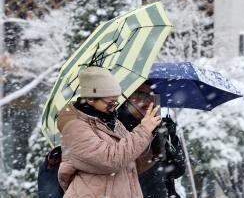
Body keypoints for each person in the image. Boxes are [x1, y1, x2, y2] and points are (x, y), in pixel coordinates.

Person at [57, 66, 161, 198]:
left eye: (116, 102)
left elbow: (130, 163)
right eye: (110, 103)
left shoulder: (111, 121)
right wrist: (144, 130)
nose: (113, 108)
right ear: (90, 99)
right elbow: (110, 160)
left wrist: (154, 142)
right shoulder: (74, 127)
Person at [118, 81, 186, 198]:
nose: (147, 99)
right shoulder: (117, 128)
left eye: (152, 94)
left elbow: (177, 171)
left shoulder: (158, 126)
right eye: (140, 93)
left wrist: (172, 138)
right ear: (125, 97)